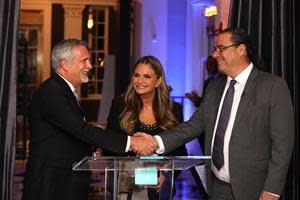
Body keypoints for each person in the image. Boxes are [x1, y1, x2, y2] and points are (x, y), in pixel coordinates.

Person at [135, 28, 294, 200]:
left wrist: (272, 189)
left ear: (241, 50)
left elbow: (282, 146)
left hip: (255, 190)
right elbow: (193, 126)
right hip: (216, 188)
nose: (215, 54)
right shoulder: (214, 87)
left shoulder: (272, 87)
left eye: (220, 48)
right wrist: (156, 141)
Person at [22, 39, 156, 200]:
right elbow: (80, 129)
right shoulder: (52, 93)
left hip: (63, 183)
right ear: (64, 64)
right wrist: (131, 143)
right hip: (51, 186)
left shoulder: (62, 90)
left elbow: (66, 135)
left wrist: (92, 146)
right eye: (84, 61)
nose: (90, 66)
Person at [104, 55, 187, 199]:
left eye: (147, 76)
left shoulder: (174, 110)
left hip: (158, 186)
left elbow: (180, 152)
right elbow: (109, 144)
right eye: (136, 75)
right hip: (124, 184)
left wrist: (165, 175)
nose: (140, 81)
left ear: (158, 80)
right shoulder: (119, 105)